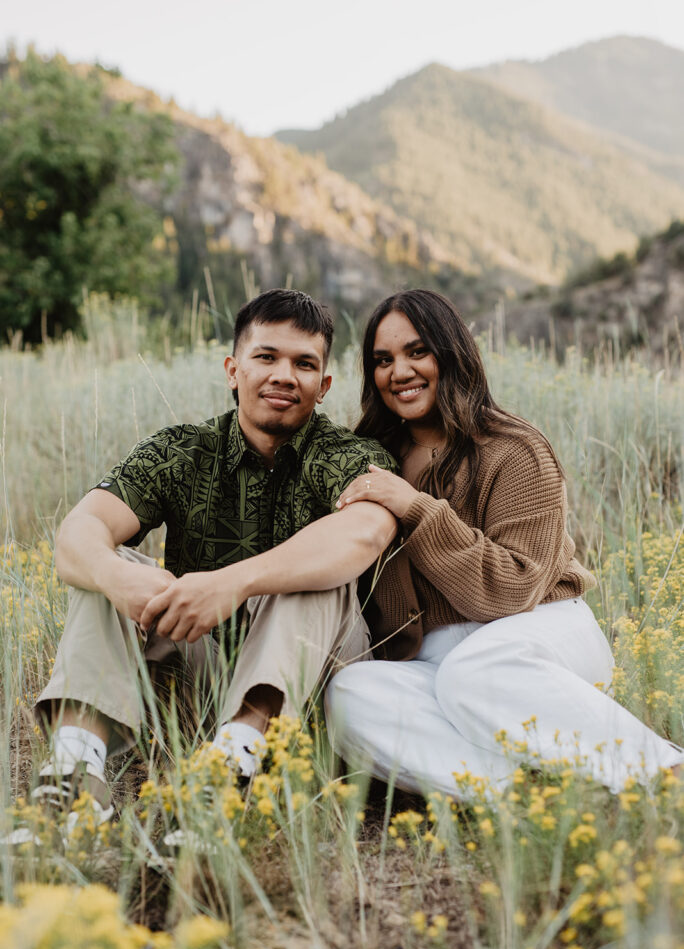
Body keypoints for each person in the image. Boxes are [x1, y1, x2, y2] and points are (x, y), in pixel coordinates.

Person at [5, 289, 396, 843]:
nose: (284, 375)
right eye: (266, 357)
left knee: (313, 572)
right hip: (204, 679)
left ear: (323, 385)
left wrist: (234, 583)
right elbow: (76, 535)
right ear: (234, 370)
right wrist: (122, 581)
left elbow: (366, 532)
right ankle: (76, 779)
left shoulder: (348, 455)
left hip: (318, 688)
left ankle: (229, 774)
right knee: (105, 562)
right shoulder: (182, 451)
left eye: (304, 363)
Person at [325, 289, 683, 797]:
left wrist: (414, 508)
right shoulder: (371, 458)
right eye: (382, 360)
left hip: (540, 634)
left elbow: (512, 591)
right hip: (436, 664)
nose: (398, 372)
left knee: (474, 673)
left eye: (417, 351)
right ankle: (525, 795)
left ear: (451, 353)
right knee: (350, 693)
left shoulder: (514, 447)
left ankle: (660, 771)